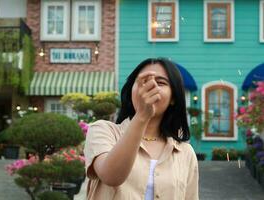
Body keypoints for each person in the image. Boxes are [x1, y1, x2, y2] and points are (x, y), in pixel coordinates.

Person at [84, 58, 199, 200]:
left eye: (161, 82)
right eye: (143, 82)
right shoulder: (103, 131)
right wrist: (142, 116)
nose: (151, 87)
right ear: (131, 91)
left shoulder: (186, 152)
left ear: (173, 98)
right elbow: (111, 176)